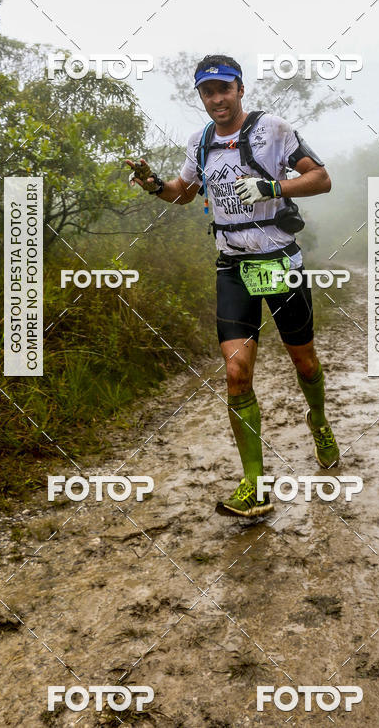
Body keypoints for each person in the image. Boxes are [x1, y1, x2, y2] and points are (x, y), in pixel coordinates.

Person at [125, 54, 339, 518]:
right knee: (237, 373)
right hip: (233, 266)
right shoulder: (199, 140)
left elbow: (321, 179)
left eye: (224, 89)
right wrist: (152, 183)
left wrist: (273, 189)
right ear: (200, 97)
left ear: (240, 89)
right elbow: (184, 193)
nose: (217, 99)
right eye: (208, 92)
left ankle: (319, 422)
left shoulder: (273, 130)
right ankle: (254, 484)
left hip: (280, 261)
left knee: (303, 363)